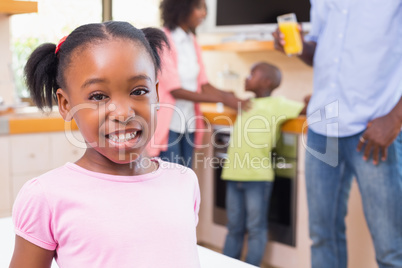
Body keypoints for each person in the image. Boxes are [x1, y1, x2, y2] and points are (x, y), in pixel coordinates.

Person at [9, 21, 201, 268]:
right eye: (99, 96)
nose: (123, 112)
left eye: (139, 91)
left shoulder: (185, 182)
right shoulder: (45, 197)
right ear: (66, 104)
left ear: (156, 93)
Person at [273, 1, 402, 267]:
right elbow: (320, 52)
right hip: (323, 128)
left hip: (375, 131)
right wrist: (296, 46)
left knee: (391, 249)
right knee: (322, 237)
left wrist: (395, 118)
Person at [221, 62, 305, 266]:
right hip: (233, 174)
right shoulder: (244, 103)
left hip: (258, 178)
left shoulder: (279, 104)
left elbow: (306, 109)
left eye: (252, 74)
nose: (246, 77)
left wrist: (310, 100)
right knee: (234, 227)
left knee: (256, 228)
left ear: (266, 82)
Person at [150, 0, 248, 168]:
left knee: (185, 178)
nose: (204, 14)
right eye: (199, 8)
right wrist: (223, 100)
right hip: (169, 125)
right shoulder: (163, 40)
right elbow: (175, 90)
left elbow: (203, 83)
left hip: (189, 123)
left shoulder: (192, 41)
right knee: (170, 181)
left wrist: (228, 95)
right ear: (182, 7)